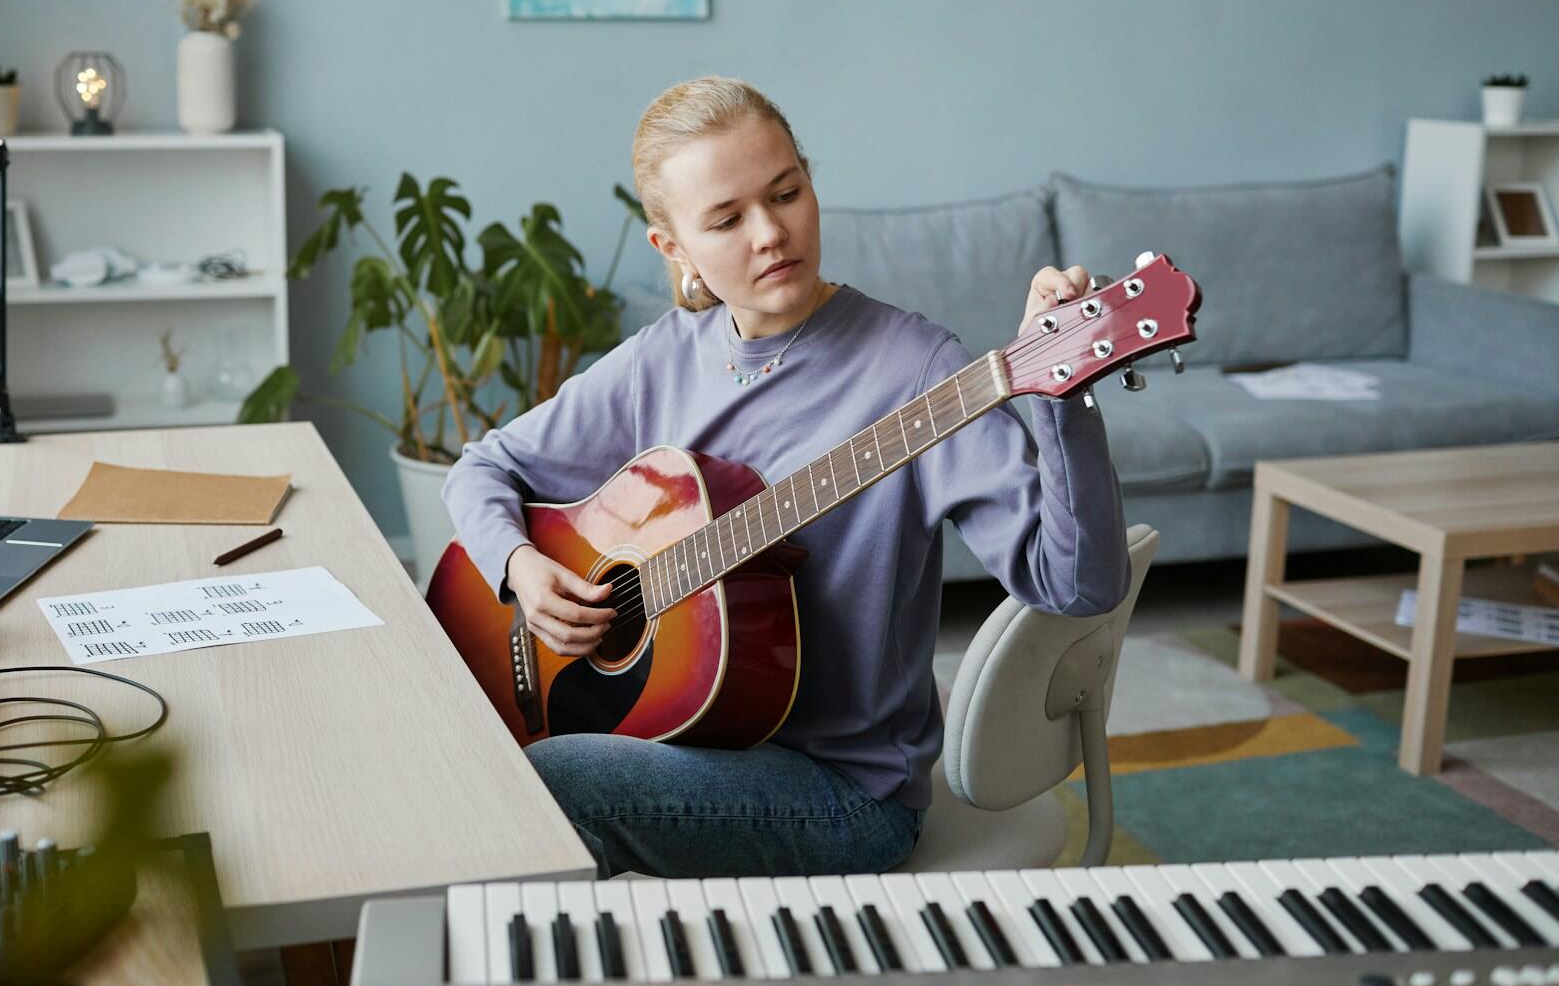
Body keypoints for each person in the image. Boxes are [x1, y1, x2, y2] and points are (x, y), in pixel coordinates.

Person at [442, 76, 1129, 879]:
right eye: (727, 219)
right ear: (675, 249)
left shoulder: (920, 378)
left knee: (540, 784)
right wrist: (521, 568)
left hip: (843, 793)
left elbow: (1077, 585)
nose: (771, 233)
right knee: (457, 748)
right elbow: (484, 465)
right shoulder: (664, 358)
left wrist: (1064, 408)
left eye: (787, 192)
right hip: (690, 734)